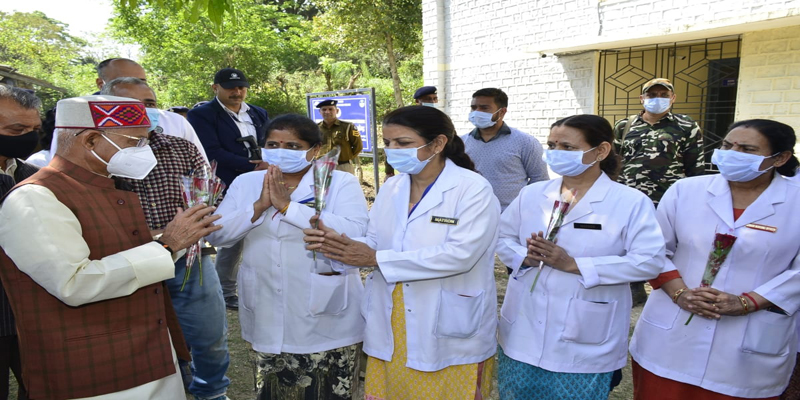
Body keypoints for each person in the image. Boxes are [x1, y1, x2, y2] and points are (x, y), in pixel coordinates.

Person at [0, 94, 222, 399]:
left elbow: (120, 252)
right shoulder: (35, 197)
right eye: (136, 142)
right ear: (91, 140)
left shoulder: (106, 186)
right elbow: (74, 283)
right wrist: (168, 245)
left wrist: (181, 238)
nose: (146, 151)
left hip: (147, 355)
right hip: (95, 371)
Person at [304, 105, 500, 399]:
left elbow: (461, 255)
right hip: (391, 314)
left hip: (446, 318)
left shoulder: (472, 189)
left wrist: (374, 258)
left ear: (438, 143)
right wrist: (340, 246)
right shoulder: (392, 187)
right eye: (388, 142)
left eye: (403, 143)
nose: (393, 150)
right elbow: (375, 240)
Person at [495, 114, 665, 399]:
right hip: (524, 328)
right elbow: (502, 237)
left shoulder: (630, 202)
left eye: (568, 147)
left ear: (601, 151)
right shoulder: (532, 194)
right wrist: (524, 256)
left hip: (586, 333)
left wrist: (574, 264)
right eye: (552, 145)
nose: (556, 153)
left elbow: (650, 261)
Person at [629, 119, 800, 400]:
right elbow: (652, 250)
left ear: (780, 158)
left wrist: (747, 302)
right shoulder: (686, 190)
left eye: (747, 149)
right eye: (727, 145)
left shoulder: (796, 201)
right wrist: (680, 294)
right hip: (670, 336)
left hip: (747, 346)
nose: (732, 154)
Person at [207, 114, 368, 399]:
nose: (281, 151)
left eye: (293, 146)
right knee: (273, 391)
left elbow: (355, 231)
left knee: (326, 390)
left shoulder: (340, 181)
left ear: (314, 150)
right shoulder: (247, 182)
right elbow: (219, 236)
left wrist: (288, 207)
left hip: (326, 308)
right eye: (273, 144)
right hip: (265, 304)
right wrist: (258, 207)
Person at [101, 78, 231, 400]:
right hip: (128, 261)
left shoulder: (181, 147)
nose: (145, 111)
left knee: (209, 335)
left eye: (150, 103)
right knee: (143, 339)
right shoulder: (97, 155)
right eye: (133, 106)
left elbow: (210, 191)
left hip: (189, 260)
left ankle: (212, 392)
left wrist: (198, 216)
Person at [614, 78, 705, 305]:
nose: (658, 99)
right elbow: (614, 161)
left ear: (673, 98)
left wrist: (695, 199)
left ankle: (668, 286)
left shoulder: (686, 126)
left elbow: (695, 165)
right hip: (630, 196)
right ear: (642, 98)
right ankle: (634, 287)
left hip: (668, 198)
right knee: (628, 239)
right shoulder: (625, 126)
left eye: (664, 95)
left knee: (663, 244)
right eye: (652, 94)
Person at [188, 67, 270, 310]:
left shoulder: (258, 113)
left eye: (241, 87)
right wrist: (250, 165)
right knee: (230, 235)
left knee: (264, 230)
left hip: (261, 180)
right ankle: (225, 291)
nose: (237, 92)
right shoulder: (202, 115)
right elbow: (210, 151)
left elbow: (268, 142)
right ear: (216, 88)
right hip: (226, 183)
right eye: (230, 88)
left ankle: (263, 284)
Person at [47, 57, 209, 163]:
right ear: (101, 84)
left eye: (141, 81)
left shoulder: (175, 123)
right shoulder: (77, 126)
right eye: (122, 81)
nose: (134, 86)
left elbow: (204, 178)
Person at [0, 86, 41, 400]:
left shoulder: (34, 175)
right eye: (17, 130)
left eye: (34, 129)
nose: (28, 138)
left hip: (33, 313)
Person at [462, 87, 549, 212]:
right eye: (474, 108)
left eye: (484, 108)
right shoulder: (462, 143)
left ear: (502, 112)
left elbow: (540, 181)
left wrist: (525, 209)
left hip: (511, 215)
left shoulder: (525, 142)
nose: (477, 112)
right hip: (471, 212)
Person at [316, 99, 362, 174]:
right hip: (322, 166)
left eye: (330, 109)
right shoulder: (315, 128)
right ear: (320, 112)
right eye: (324, 110)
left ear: (337, 111)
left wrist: (346, 158)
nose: (327, 112)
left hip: (342, 166)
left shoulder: (348, 126)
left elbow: (358, 146)